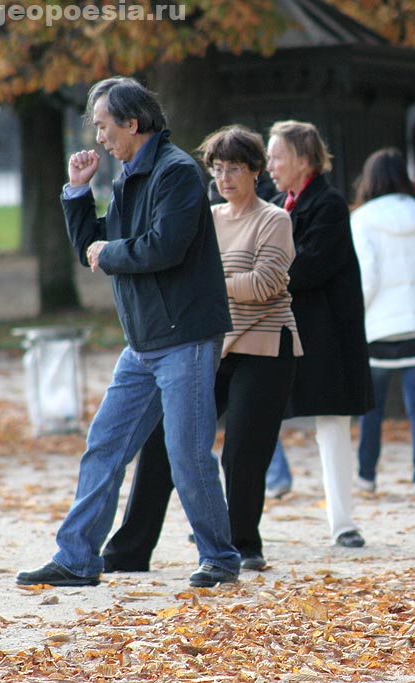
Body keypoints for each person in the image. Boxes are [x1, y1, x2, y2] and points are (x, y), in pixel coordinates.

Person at [16, 77, 241, 588]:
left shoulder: (177, 172)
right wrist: (78, 193)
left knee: (187, 454)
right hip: (143, 343)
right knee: (104, 447)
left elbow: (164, 247)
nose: (98, 137)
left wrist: (107, 253)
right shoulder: (126, 175)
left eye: (103, 125)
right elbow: (93, 248)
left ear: (132, 123)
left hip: (185, 337)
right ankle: (76, 559)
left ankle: (221, 559)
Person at [100, 125, 301, 572]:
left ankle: (242, 544)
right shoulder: (207, 217)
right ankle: (129, 550)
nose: (224, 177)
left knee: (241, 451)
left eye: (234, 168)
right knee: (163, 445)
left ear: (255, 171)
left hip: (265, 347)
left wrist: (208, 288)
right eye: (217, 168)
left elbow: (267, 284)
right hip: (210, 344)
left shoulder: (275, 219)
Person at [266, 120, 373, 548]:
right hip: (280, 328)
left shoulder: (327, 205)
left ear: (304, 160)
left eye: (276, 157)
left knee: (332, 423)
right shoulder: (275, 204)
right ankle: (239, 524)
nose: (269, 165)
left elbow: (306, 267)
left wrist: (262, 276)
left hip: (325, 335)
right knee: (253, 414)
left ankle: (342, 523)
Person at [349, 148, 415, 496]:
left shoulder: (362, 220)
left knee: (372, 408)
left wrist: (359, 314)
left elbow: (367, 277)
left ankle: (367, 475)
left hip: (378, 326)